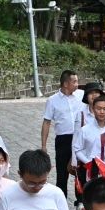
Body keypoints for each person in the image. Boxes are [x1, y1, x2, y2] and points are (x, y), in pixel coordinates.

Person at [42, 70, 83, 201]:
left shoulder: (81, 95)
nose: (77, 84)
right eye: (74, 81)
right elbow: (46, 122)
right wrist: (43, 145)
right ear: (65, 83)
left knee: (80, 170)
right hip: (63, 139)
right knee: (62, 172)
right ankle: (61, 201)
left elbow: (99, 94)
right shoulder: (52, 100)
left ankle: (80, 202)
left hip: (80, 138)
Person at [71, 94, 105, 197]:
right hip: (89, 169)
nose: (102, 112)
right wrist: (88, 162)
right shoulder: (85, 130)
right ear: (93, 109)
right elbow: (77, 149)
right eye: (98, 108)